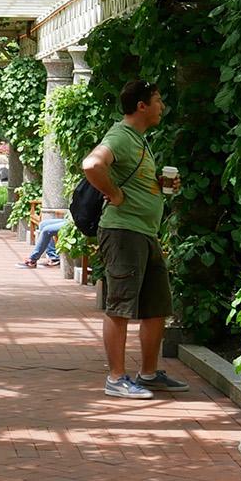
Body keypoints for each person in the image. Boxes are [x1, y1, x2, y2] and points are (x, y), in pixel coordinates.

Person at [80, 79, 186, 399]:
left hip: (145, 233)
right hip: (124, 232)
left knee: (156, 306)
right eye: (157, 100)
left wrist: (158, 185)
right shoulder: (121, 136)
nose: (162, 106)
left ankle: (149, 373)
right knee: (120, 306)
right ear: (141, 105)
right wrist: (113, 193)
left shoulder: (140, 140)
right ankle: (116, 378)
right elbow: (92, 164)